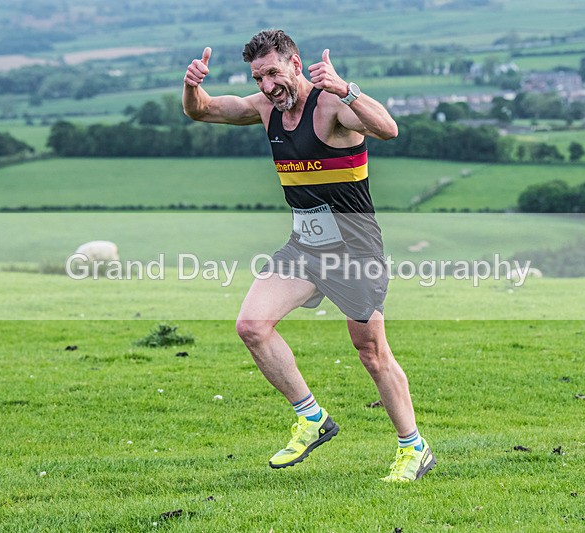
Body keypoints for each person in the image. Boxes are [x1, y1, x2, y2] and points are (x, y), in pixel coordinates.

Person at [182, 29, 434, 482]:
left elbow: (388, 128)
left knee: (372, 352)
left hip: (355, 251)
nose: (265, 86)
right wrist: (191, 85)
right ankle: (312, 417)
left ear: (296, 64)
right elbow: (203, 110)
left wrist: (347, 89)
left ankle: (413, 448)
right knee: (252, 326)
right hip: (304, 248)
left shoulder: (333, 105)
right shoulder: (264, 109)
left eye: (273, 73)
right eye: (258, 77)